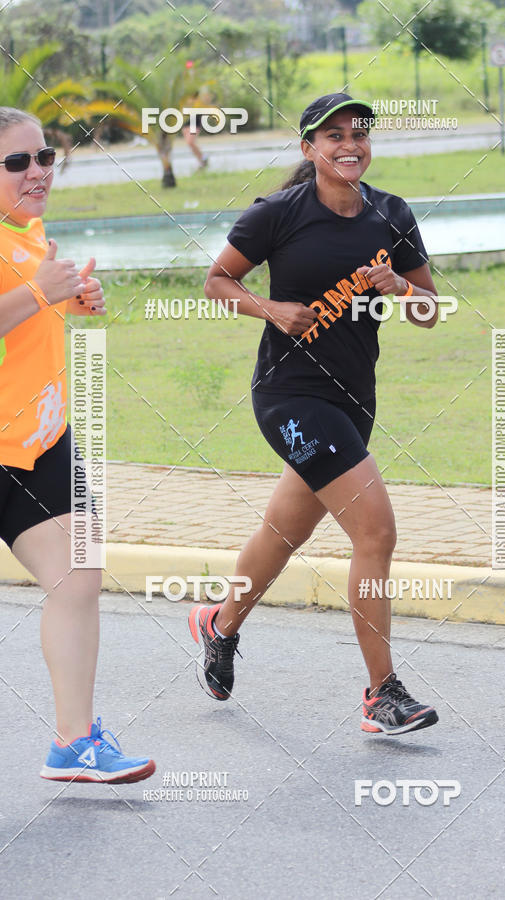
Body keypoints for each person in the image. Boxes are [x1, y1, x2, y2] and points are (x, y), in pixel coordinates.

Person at [190, 93, 440, 736]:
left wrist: (402, 288)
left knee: (283, 534)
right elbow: (218, 282)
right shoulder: (277, 213)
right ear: (309, 149)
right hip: (289, 394)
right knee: (376, 533)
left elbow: (432, 309)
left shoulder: (392, 213)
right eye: (332, 136)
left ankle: (219, 625)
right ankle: (382, 694)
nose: (348, 144)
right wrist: (271, 309)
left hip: (355, 400)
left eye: (358, 133)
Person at [0, 107, 155, 782]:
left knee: (81, 576)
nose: (37, 172)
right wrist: (39, 292)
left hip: (40, 441)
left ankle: (75, 742)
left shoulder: (28, 230)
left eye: (44, 157)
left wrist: (70, 297)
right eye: (16, 163)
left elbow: (30, 314)